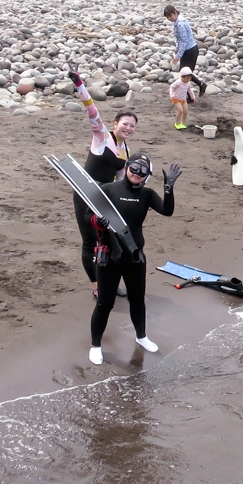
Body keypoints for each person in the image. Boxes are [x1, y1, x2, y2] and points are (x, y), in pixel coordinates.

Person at [88, 154, 180, 364]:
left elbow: (167, 211)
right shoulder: (109, 189)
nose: (137, 173)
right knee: (104, 303)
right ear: (127, 166)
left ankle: (142, 337)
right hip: (110, 257)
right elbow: (88, 216)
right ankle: (96, 345)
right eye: (135, 167)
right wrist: (98, 222)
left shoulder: (147, 194)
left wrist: (168, 187)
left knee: (137, 300)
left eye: (143, 170)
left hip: (135, 256)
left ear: (148, 175)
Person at [68, 70, 136, 298]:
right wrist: (80, 85)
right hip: (85, 192)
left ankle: (109, 281)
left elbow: (120, 179)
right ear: (116, 123)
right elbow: (91, 109)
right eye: (125, 124)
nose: (128, 128)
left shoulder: (126, 151)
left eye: (132, 126)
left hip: (103, 196)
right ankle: (96, 287)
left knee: (107, 240)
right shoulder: (102, 135)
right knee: (89, 242)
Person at [163, 4, 206, 97]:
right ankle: (197, 87)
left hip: (190, 50)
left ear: (175, 13)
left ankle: (191, 93)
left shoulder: (180, 23)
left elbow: (184, 40)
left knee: (185, 74)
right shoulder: (178, 21)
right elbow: (180, 39)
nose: (169, 19)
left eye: (170, 16)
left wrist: (178, 56)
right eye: (167, 17)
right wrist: (178, 49)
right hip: (188, 49)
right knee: (185, 73)